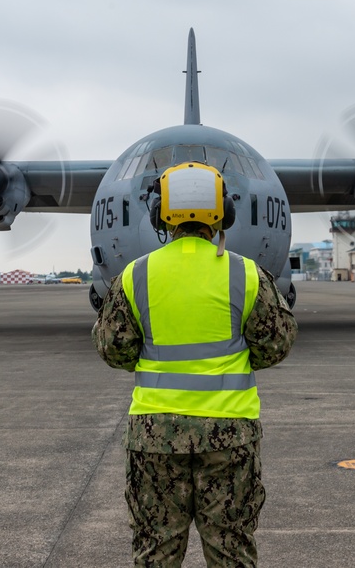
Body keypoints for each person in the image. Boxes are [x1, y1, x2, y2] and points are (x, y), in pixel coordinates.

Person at [93, 161, 298, 567]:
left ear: (159, 214)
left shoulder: (136, 275)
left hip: (155, 436)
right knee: (231, 548)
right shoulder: (247, 274)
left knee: (155, 549)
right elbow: (276, 344)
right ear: (224, 213)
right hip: (230, 435)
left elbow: (113, 350)